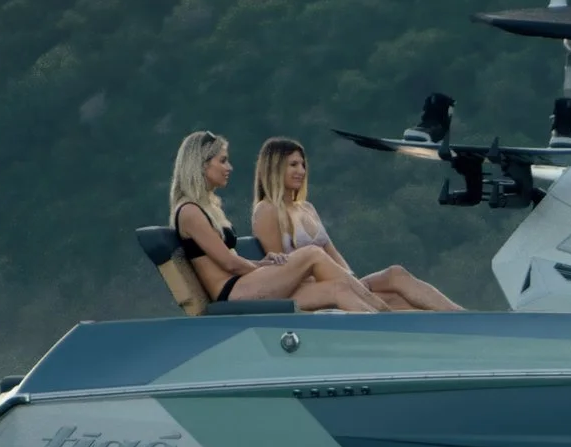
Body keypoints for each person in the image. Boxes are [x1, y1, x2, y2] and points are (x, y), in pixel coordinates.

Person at [168, 130, 385, 312]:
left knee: (338, 288)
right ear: (201, 165)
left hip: (243, 285)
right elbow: (229, 263)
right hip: (233, 292)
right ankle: (387, 317)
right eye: (223, 161)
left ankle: (386, 322)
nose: (229, 167)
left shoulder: (206, 209)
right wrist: (269, 269)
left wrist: (269, 267)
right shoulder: (189, 212)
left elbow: (230, 262)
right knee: (311, 253)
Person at [250, 137, 463, 311]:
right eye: (293, 165)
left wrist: (353, 281)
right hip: (307, 290)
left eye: (303, 164)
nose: (301, 171)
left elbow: (332, 253)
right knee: (397, 302)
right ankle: (412, 327)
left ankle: (463, 317)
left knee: (395, 275)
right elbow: (282, 273)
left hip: (341, 280)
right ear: (275, 168)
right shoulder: (267, 211)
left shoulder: (307, 208)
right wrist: (344, 286)